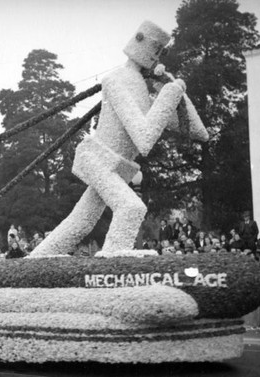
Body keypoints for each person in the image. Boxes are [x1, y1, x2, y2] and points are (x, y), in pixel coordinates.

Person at [29, 20, 207, 257]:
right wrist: (170, 95)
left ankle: (34, 261)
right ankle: (112, 262)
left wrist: (174, 86)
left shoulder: (146, 93)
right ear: (140, 44)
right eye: (155, 50)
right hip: (98, 159)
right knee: (131, 207)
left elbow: (198, 132)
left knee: (80, 221)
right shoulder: (115, 81)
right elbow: (144, 139)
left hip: (117, 167)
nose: (156, 58)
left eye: (160, 53)